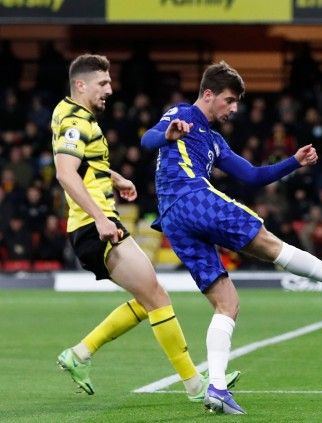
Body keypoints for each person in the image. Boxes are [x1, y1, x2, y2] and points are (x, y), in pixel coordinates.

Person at [140, 61, 322, 415]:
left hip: (172, 221)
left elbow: (254, 176)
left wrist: (293, 161)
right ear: (209, 94)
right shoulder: (182, 113)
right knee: (264, 239)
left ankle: (215, 388)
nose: (234, 109)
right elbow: (146, 138)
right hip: (190, 198)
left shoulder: (214, 140)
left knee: (226, 303)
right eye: (229, 100)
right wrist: (168, 132)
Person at [51, 54, 238, 401]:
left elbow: (81, 165)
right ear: (81, 85)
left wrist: (114, 176)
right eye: (102, 83)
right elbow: (64, 173)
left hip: (94, 223)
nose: (109, 89)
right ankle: (195, 384)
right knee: (157, 296)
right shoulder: (76, 119)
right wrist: (100, 217)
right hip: (93, 226)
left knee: (148, 296)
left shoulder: (71, 114)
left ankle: (79, 354)